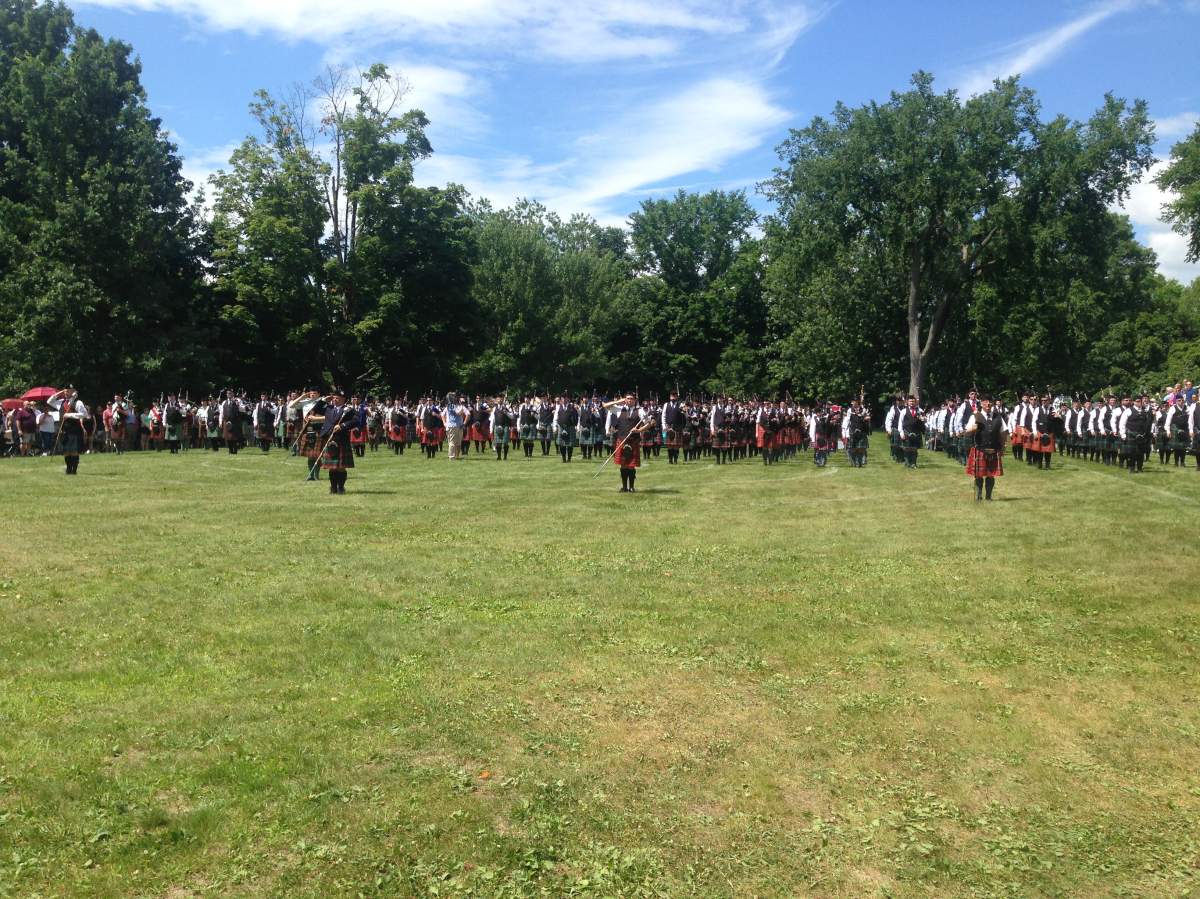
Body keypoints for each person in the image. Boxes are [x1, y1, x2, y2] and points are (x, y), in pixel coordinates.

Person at [964, 393, 1006, 501]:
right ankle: (978, 496)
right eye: (985, 402)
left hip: (994, 449)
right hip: (980, 449)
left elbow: (1003, 433)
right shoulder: (975, 416)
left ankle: (988, 496)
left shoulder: (998, 417)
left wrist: (1002, 447)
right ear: (981, 403)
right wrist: (973, 428)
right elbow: (966, 432)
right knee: (979, 474)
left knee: (991, 474)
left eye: (990, 402)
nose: (988, 404)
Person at [319, 389, 356, 494]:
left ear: (343, 399)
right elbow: (316, 409)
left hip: (342, 440)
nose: (334, 399)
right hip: (329, 438)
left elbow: (356, 420)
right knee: (332, 467)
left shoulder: (348, 410)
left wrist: (342, 425)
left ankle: (341, 487)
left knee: (341, 467)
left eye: (337, 398)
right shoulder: (328, 408)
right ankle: (333, 488)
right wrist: (324, 400)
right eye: (334, 397)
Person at [50, 389, 88, 475]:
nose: (66, 393)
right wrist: (60, 392)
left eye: (68, 391)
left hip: (74, 430)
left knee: (74, 451)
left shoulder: (77, 402)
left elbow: (84, 414)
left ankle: (74, 470)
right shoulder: (61, 402)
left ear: (73, 392)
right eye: (65, 392)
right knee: (66, 451)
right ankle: (68, 469)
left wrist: (70, 415)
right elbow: (50, 401)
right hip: (64, 431)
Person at [842, 399, 870, 467]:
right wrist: (845, 432)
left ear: (857, 402)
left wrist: (866, 417)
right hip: (852, 431)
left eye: (854, 402)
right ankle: (854, 461)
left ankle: (860, 462)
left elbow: (868, 417)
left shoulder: (863, 410)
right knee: (853, 448)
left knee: (861, 448)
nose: (853, 403)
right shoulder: (850, 410)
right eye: (852, 402)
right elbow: (847, 421)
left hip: (862, 431)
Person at [897, 396, 924, 469]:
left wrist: (923, 419)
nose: (911, 403)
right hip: (907, 432)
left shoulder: (919, 411)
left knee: (914, 449)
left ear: (915, 402)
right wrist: (901, 433)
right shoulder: (904, 411)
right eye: (910, 401)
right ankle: (907, 463)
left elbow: (924, 420)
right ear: (907, 402)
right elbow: (900, 422)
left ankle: (914, 463)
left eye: (913, 401)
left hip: (916, 433)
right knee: (907, 449)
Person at [442, 393, 468, 461]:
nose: (455, 398)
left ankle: (455, 456)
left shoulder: (450, 405)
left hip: (453, 426)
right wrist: (462, 405)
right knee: (452, 442)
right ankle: (451, 456)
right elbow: (458, 413)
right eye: (454, 397)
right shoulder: (451, 405)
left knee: (454, 442)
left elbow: (442, 414)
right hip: (453, 425)